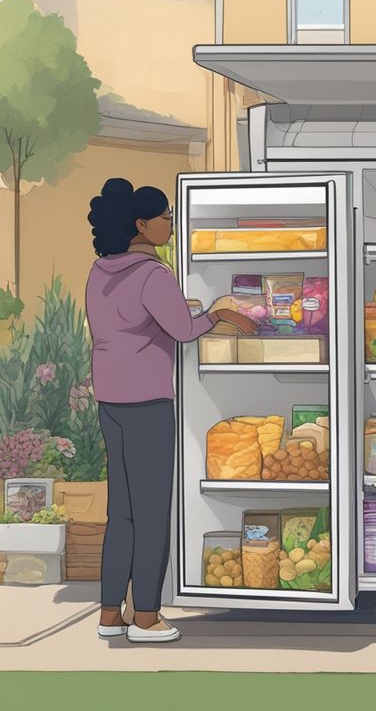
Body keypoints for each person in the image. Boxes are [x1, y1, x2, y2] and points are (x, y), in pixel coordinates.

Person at [85, 178, 255, 644]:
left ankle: (108, 613)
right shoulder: (153, 274)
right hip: (147, 403)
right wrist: (219, 313)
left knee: (121, 512)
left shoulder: (101, 270)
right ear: (141, 224)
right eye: (167, 218)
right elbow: (183, 329)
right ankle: (146, 618)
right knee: (153, 510)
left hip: (111, 401)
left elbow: (132, 323)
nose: (173, 226)